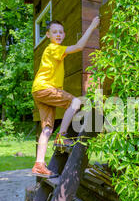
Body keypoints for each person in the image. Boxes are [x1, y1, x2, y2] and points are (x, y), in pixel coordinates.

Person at [31, 16, 100, 177]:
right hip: (45, 88)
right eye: (54, 32)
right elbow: (79, 46)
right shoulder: (53, 48)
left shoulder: (54, 51)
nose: (58, 35)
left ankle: (38, 164)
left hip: (39, 90)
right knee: (75, 101)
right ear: (48, 35)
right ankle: (62, 136)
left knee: (47, 128)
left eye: (61, 32)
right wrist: (92, 26)